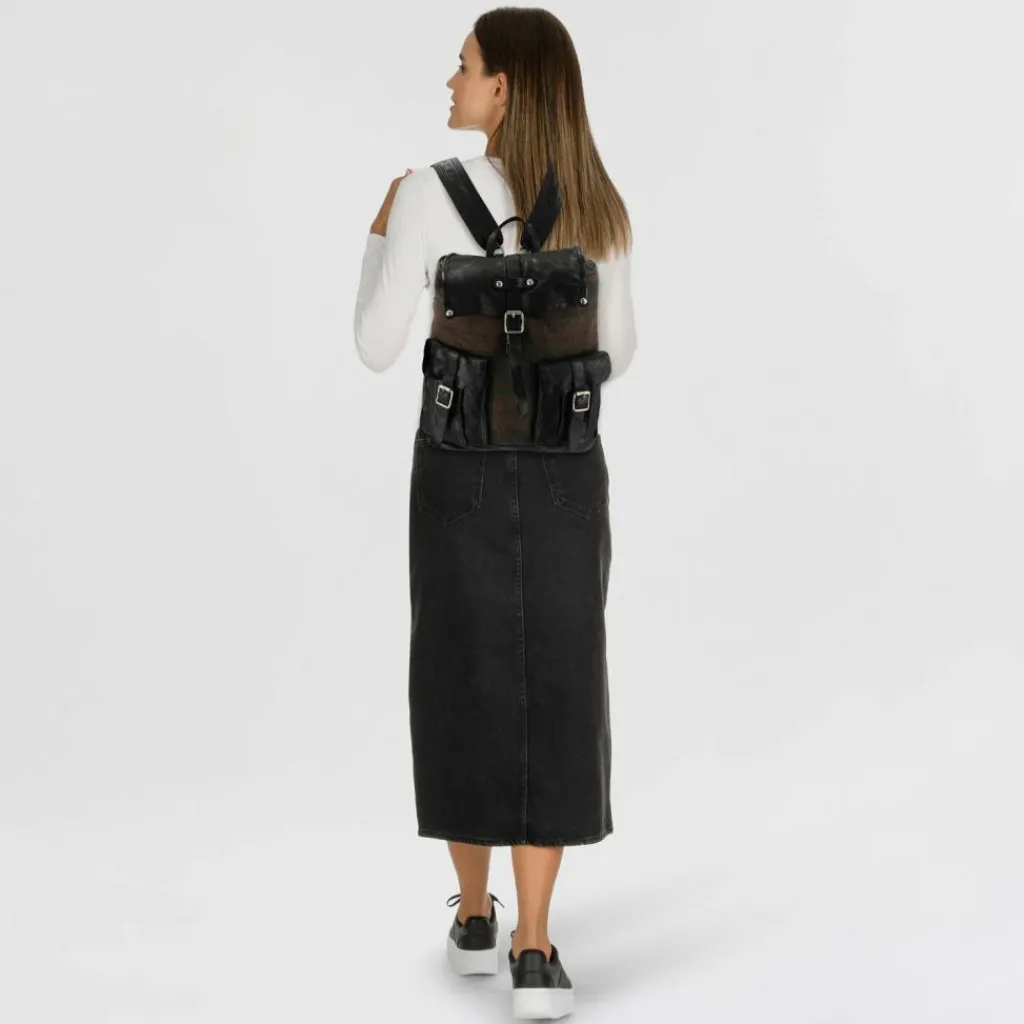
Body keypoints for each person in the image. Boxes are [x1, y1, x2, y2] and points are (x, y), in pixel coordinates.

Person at [353, 8, 637, 1018]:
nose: (452, 81)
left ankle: (473, 918)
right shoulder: (599, 203)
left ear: (504, 87)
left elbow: (376, 345)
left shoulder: (426, 194)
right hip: (565, 476)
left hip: (457, 470)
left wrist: (381, 228)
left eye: (465, 65)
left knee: (461, 677)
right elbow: (620, 354)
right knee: (557, 685)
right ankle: (536, 945)